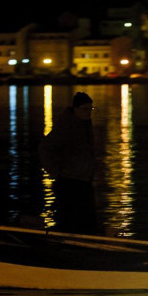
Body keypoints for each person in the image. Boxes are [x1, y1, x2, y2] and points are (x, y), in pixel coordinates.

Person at [38, 92, 98, 234]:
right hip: (70, 181)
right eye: (85, 109)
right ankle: (69, 247)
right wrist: (56, 171)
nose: (88, 113)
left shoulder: (84, 125)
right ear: (76, 109)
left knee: (86, 220)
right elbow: (45, 148)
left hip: (83, 180)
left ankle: (85, 245)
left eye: (91, 109)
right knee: (71, 220)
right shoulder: (66, 126)